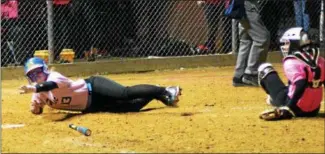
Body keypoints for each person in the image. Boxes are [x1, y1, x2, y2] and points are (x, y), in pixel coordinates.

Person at [18, 57, 182, 114]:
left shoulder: (54, 77)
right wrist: (35, 109)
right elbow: (38, 109)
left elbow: (50, 85)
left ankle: (166, 90)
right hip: (91, 106)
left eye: (38, 72)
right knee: (130, 108)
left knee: (124, 93)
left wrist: (34, 88)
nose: (36, 76)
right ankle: (156, 95)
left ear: (45, 70)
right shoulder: (37, 93)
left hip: (94, 87)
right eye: (32, 75)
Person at [258, 27, 325, 121]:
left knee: (264, 68)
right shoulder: (320, 60)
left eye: (287, 43)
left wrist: (289, 108)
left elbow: (300, 84)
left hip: (296, 108)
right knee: (293, 85)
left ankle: (274, 100)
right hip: (314, 110)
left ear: (294, 44)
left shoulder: (291, 61)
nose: (284, 46)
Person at [230, 0, 270, 87]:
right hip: (247, 5)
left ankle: (239, 76)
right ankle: (251, 74)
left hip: (241, 5)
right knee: (262, 38)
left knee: (246, 40)